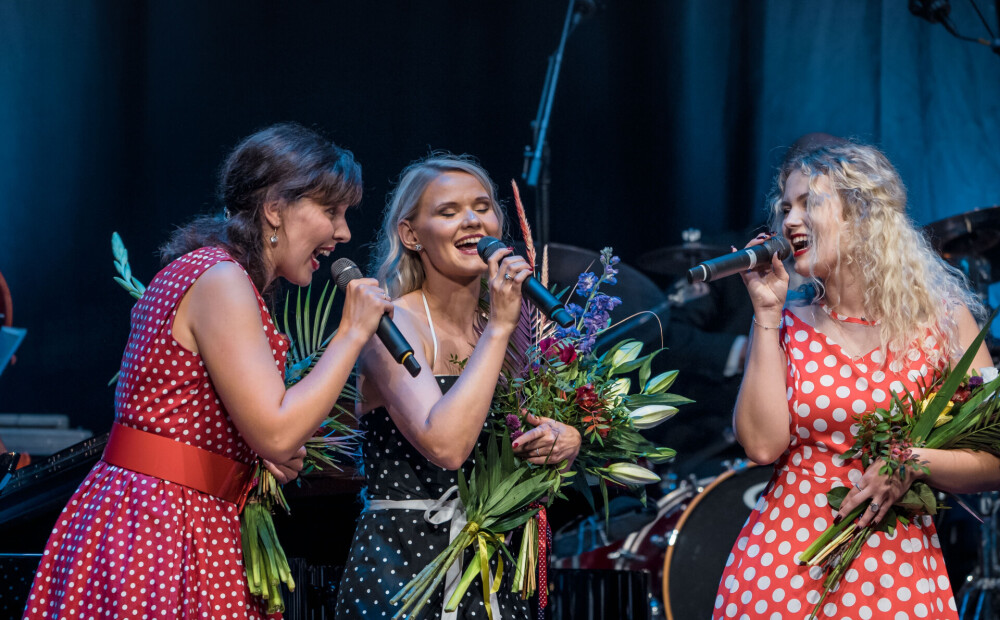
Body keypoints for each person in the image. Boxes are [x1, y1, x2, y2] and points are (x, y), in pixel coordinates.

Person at [23, 122, 391, 620]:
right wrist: (350, 333)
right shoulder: (221, 278)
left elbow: (210, 420)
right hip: (161, 524)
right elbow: (278, 432)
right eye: (330, 211)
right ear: (275, 208)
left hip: (157, 514)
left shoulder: (210, 272)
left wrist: (251, 461)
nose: (343, 232)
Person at [714, 139, 1000, 619]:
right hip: (783, 567)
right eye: (785, 207)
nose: (788, 221)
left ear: (863, 216)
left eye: (809, 203)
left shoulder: (947, 322)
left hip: (897, 574)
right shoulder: (786, 324)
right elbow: (762, 447)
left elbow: (994, 459)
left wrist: (913, 462)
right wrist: (766, 313)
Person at [335, 153, 582, 619]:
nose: (471, 220)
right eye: (448, 212)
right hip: (405, 567)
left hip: (495, 571)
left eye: (482, 207)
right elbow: (447, 445)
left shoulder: (513, 328)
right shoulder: (390, 322)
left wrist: (564, 442)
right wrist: (499, 330)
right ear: (411, 235)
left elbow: (520, 454)